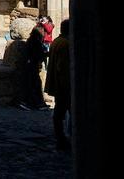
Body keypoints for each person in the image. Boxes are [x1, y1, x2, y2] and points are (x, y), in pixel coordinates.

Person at [44, 19, 71, 151]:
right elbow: (63, 67)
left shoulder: (56, 42)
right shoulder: (66, 44)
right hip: (64, 86)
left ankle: (62, 138)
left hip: (57, 84)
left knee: (59, 113)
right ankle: (63, 139)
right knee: (62, 113)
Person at [21, 23, 46, 109]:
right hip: (32, 66)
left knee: (32, 84)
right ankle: (33, 103)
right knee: (35, 85)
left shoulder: (30, 41)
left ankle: (32, 103)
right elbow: (38, 54)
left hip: (30, 66)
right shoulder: (36, 43)